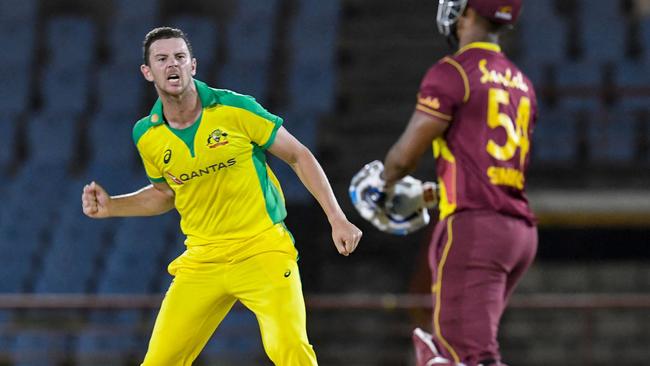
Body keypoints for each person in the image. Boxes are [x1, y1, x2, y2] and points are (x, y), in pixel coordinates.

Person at [81, 27, 362, 366]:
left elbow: (298, 155)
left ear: (193, 66)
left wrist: (337, 218)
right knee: (159, 361)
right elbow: (164, 193)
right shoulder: (147, 134)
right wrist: (113, 206)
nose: (173, 65)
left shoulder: (235, 108)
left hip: (262, 248)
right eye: (162, 59)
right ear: (147, 72)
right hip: (202, 259)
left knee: (289, 349)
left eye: (180, 57)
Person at [377, 1, 538, 365]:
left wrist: (383, 182)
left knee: (470, 353)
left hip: (475, 228)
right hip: (517, 229)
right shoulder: (522, 82)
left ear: (465, 13)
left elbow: (404, 157)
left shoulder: (453, 72)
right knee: (455, 349)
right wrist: (434, 192)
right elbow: (485, 163)